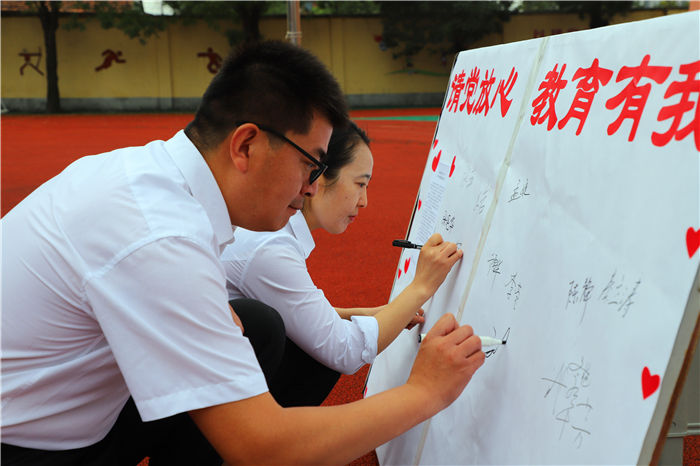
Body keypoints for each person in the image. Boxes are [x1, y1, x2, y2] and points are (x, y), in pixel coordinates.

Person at [1, 40, 485, 465]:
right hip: (27, 449)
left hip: (50, 411)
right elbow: (263, 448)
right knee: (267, 346)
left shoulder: (147, 177)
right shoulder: (161, 237)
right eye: (311, 165)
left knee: (257, 325)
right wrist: (425, 392)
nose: (312, 187)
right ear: (246, 145)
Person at [221, 122, 461, 407]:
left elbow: (300, 315)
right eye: (360, 184)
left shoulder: (267, 235)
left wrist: (370, 314)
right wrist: (421, 286)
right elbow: (343, 351)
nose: (364, 202)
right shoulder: (268, 248)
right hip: (189, 409)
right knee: (312, 351)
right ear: (319, 177)